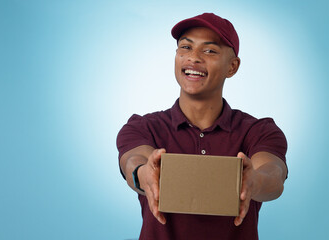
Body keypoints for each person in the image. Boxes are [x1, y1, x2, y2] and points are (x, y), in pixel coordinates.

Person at [117, 13, 288, 240]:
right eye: (185, 47)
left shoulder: (258, 131)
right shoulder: (143, 127)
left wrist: (255, 181)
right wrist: (142, 174)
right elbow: (134, 161)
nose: (193, 58)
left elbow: (273, 174)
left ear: (232, 67)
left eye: (209, 51)